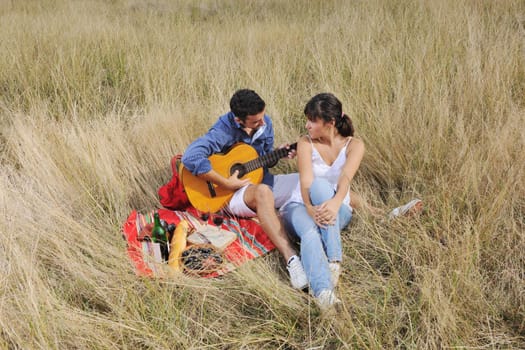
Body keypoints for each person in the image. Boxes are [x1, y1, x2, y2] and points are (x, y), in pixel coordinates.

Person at [181, 89, 308, 290]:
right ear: (239, 121)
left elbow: (261, 161)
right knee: (263, 193)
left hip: (258, 181)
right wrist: (226, 183)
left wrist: (277, 155)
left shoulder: (265, 123)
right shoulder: (223, 130)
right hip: (229, 193)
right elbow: (190, 158)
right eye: (256, 122)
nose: (263, 123)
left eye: (263, 117)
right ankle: (292, 258)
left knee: (307, 181)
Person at [280, 93, 365, 310]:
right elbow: (306, 181)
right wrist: (309, 209)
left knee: (322, 190)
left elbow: (346, 177)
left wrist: (336, 202)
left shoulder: (354, 145)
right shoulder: (305, 143)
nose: (307, 125)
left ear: (331, 123)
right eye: (307, 119)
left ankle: (333, 261)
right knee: (310, 228)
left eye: (313, 120)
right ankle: (325, 293)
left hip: (338, 207)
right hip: (300, 205)